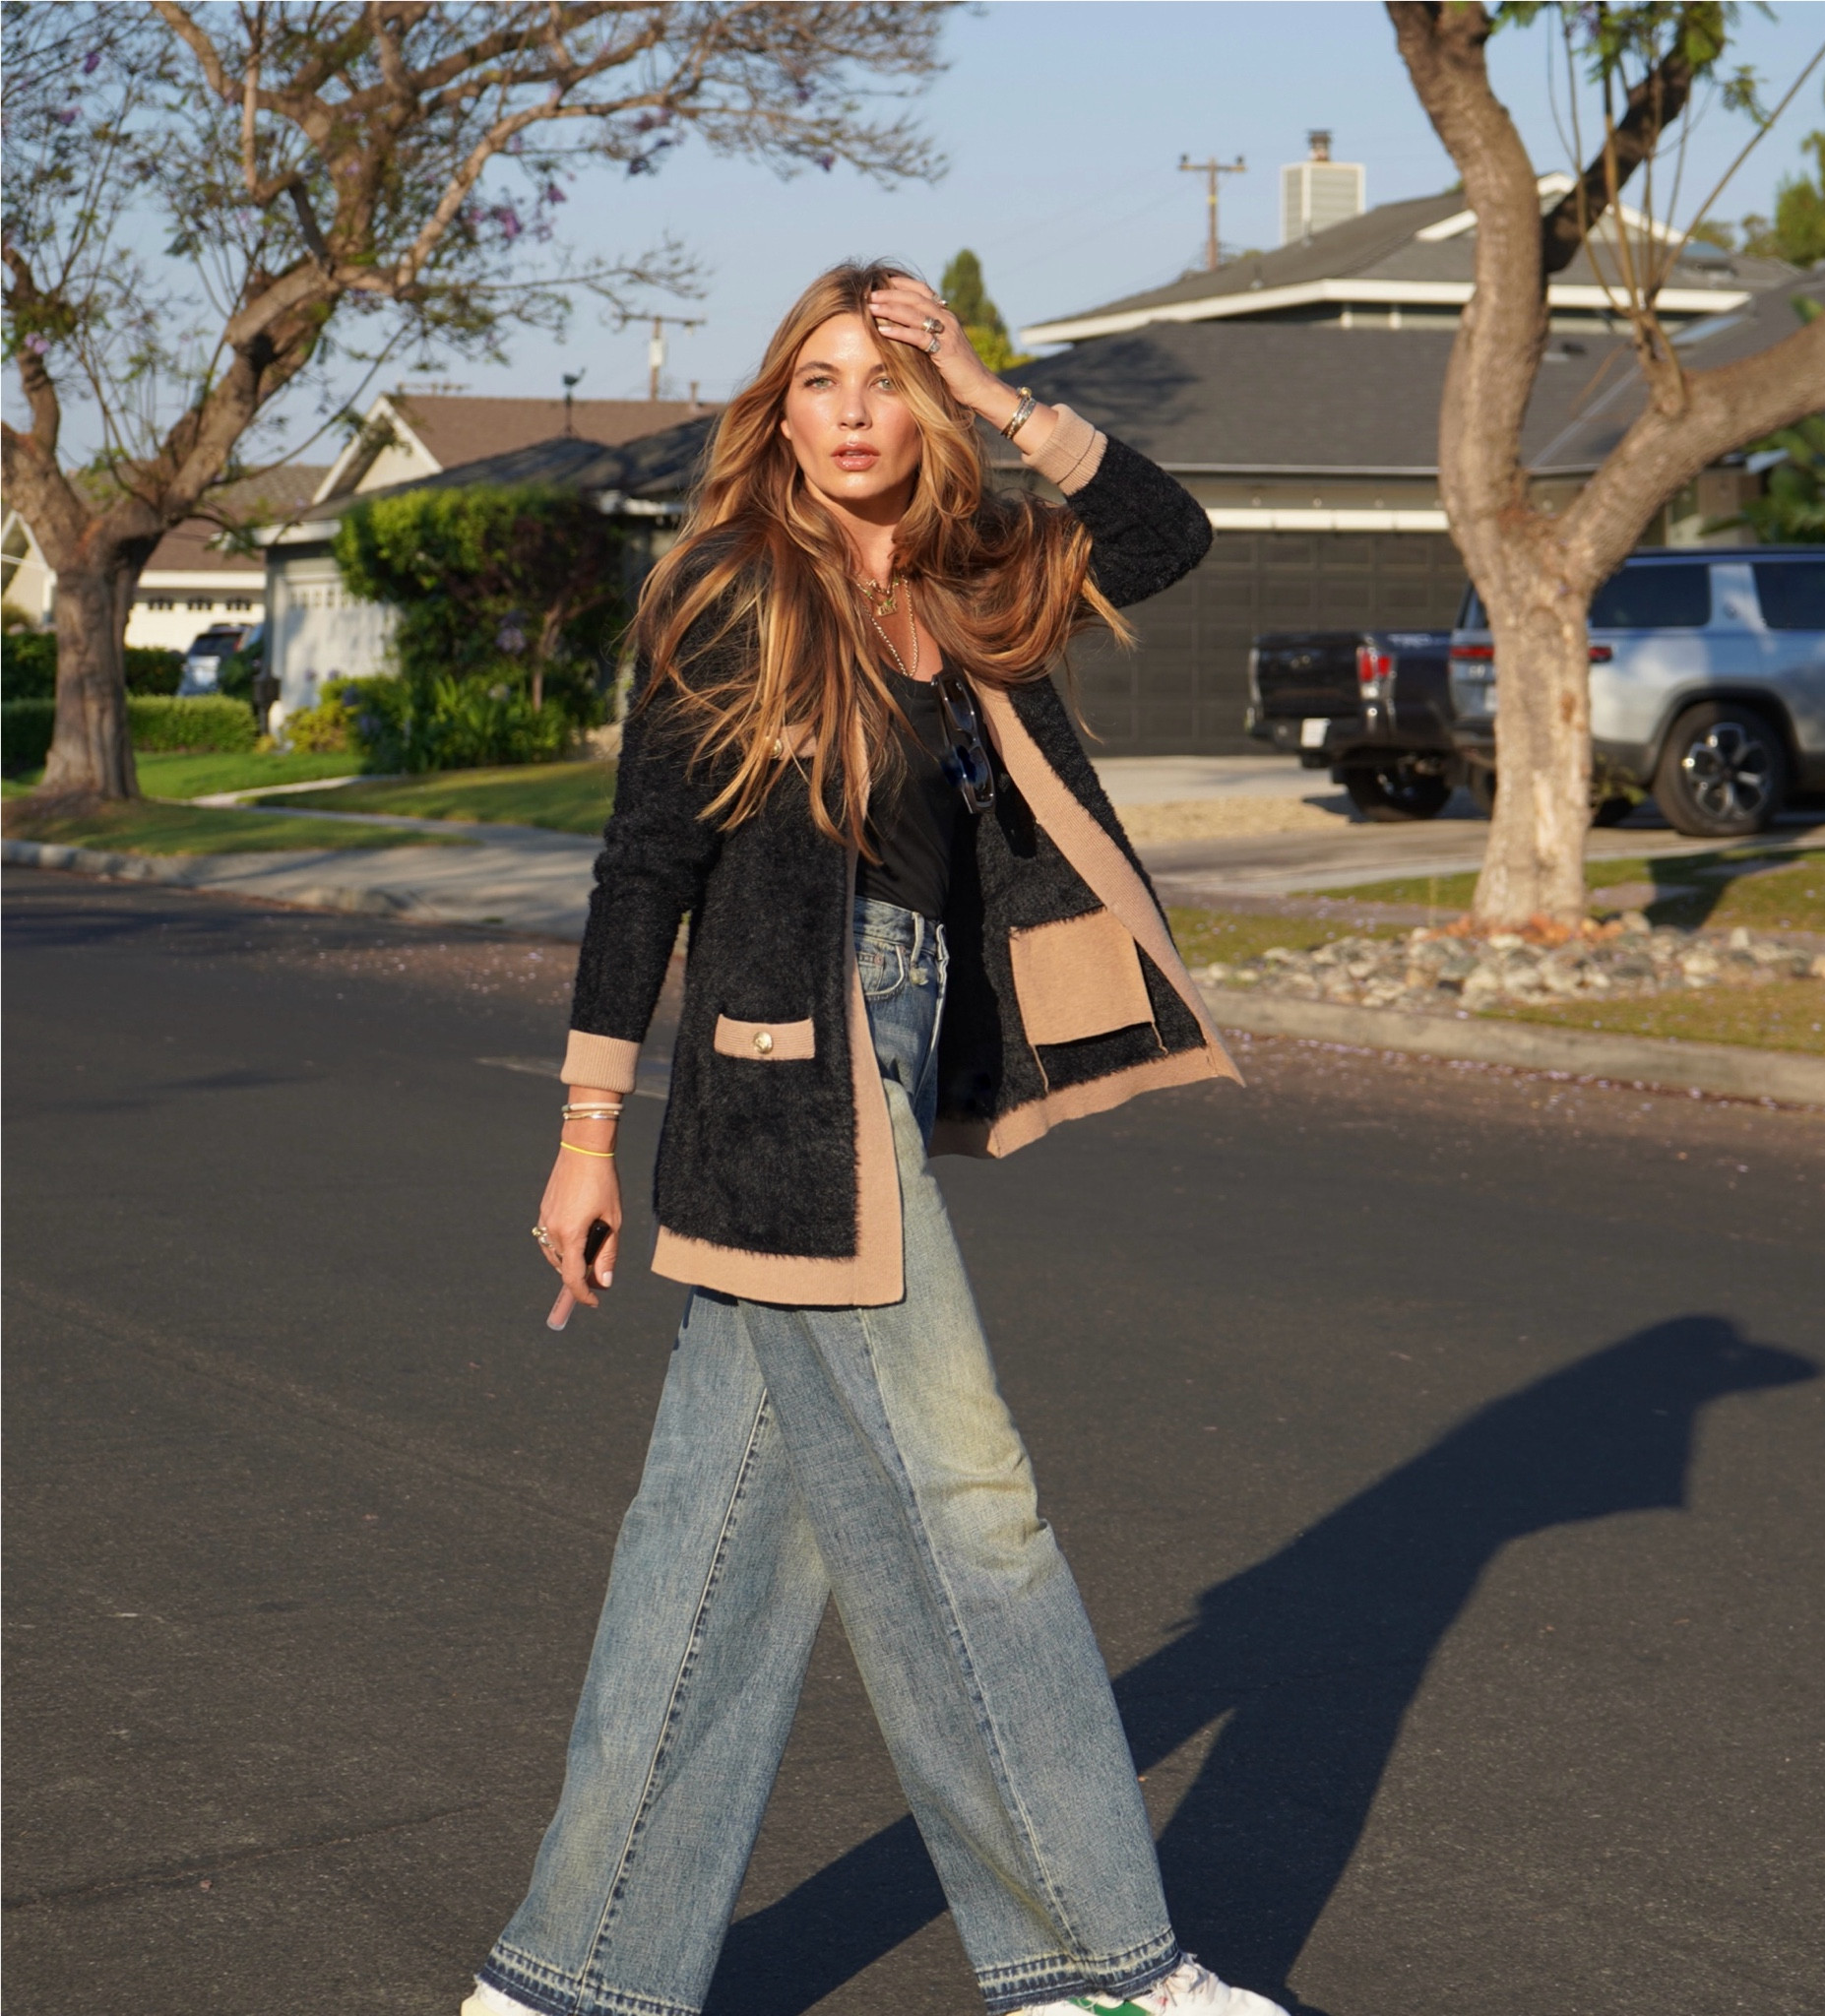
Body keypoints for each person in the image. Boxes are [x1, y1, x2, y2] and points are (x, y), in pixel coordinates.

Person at [470, 262, 1281, 2016]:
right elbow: (642, 870)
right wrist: (588, 1126)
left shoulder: (966, 581)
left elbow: (1164, 537)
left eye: (885, 380)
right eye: (820, 378)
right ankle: (1093, 1975)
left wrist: (995, 390)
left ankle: (570, 1983)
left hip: (888, 1046)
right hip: (790, 1058)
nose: (853, 408)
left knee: (718, 1548)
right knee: (970, 1507)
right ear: (778, 410)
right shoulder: (735, 589)